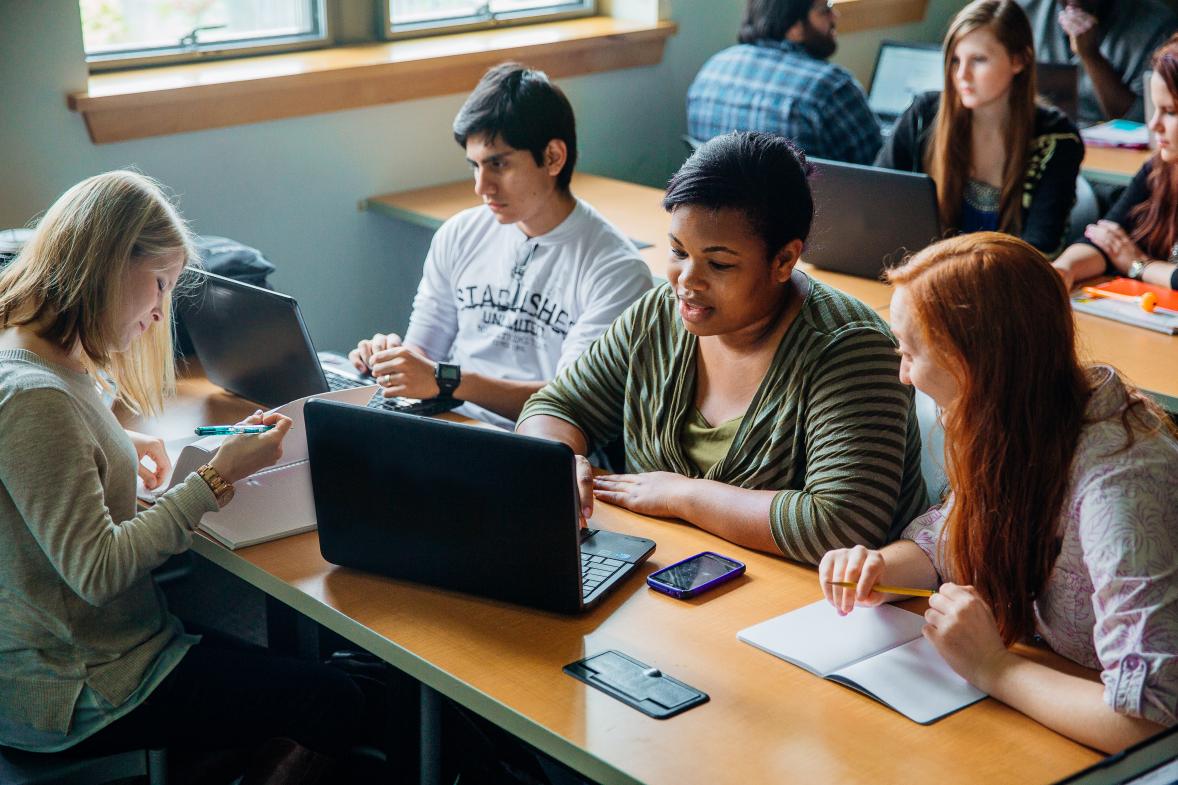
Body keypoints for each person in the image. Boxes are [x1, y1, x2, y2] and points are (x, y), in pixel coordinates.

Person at [0, 171, 366, 782]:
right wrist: (214, 481)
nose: (160, 311)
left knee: (281, 676)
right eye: (161, 283)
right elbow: (97, 572)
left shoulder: (30, 352)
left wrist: (117, 441)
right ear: (113, 264)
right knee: (335, 701)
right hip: (82, 685)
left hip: (77, 653)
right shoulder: (38, 398)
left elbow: (52, 470)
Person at [818, 232, 1178, 754]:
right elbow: (939, 546)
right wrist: (877, 568)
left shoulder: (1118, 485)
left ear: (970, 364)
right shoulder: (1012, 421)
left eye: (910, 354)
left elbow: (1153, 717)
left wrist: (994, 668)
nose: (902, 374)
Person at [517, 131, 927, 565]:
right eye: (677, 251)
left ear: (784, 260)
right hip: (671, 576)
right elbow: (557, 405)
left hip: (810, 609)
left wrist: (683, 495)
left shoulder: (849, 349)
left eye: (719, 263)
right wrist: (556, 460)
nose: (686, 280)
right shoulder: (659, 314)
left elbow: (841, 525)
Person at [349, 63, 652, 429]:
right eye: (475, 166)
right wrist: (391, 361)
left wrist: (448, 380)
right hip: (443, 422)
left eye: (498, 164)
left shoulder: (616, 269)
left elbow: (570, 404)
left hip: (533, 443)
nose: (482, 186)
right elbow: (423, 352)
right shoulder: (459, 233)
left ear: (553, 157)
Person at [875, 0, 1083, 258]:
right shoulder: (924, 115)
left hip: (1003, 290)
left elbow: (1039, 252)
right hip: (922, 282)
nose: (962, 74)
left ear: (1020, 60)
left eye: (979, 60)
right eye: (955, 61)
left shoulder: (1058, 139)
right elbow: (878, 204)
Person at [685, 0, 882, 165]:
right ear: (794, 28)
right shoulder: (832, 86)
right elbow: (877, 173)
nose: (835, 16)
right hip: (806, 211)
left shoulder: (711, 71)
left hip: (718, 209)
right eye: (825, 10)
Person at [1053, 33, 1178, 291]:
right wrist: (1063, 269)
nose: (1154, 125)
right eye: (1155, 109)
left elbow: (1128, 256)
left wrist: (1139, 264)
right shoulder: (1160, 170)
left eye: (1171, 112)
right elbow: (1106, 238)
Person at [1017, 0, 1178, 124]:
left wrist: (1090, 56)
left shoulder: (1155, 26)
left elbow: (1141, 121)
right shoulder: (1024, 10)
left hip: (1114, 154)